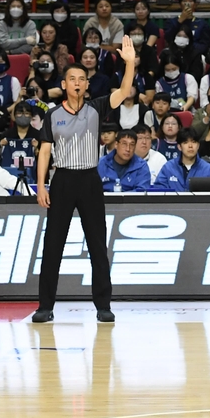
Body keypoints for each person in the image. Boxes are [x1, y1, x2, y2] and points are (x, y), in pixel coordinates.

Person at [32, 37, 137, 324]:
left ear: (87, 84)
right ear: (63, 85)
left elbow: (126, 90)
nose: (77, 82)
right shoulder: (52, 115)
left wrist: (129, 63)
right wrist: (41, 186)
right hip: (62, 180)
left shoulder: (98, 108)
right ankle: (45, 306)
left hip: (90, 180)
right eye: (72, 79)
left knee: (96, 245)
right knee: (52, 245)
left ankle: (103, 305)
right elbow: (44, 152)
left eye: (82, 78)